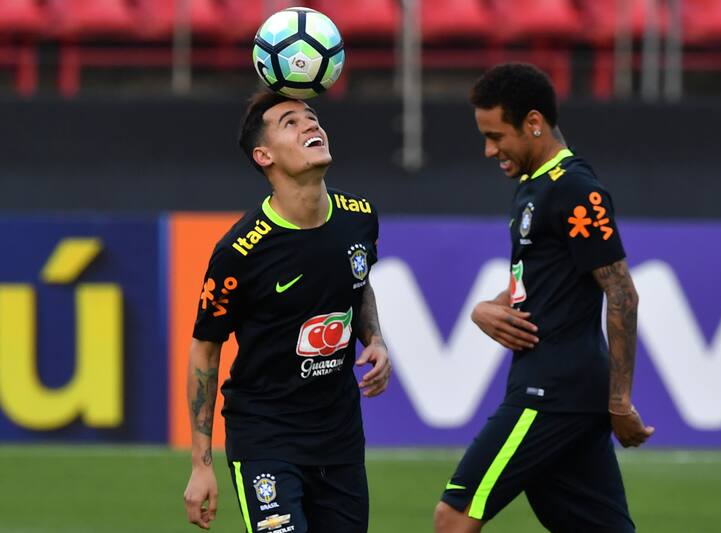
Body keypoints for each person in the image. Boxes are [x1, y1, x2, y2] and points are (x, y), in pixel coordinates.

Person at [434, 63, 655, 533]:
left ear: (533, 123)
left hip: (551, 393)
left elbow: (621, 292)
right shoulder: (533, 188)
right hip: (563, 391)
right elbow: (535, 283)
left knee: (453, 517)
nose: (489, 149)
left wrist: (620, 403)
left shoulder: (574, 188)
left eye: (496, 136)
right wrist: (484, 308)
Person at [182, 91, 391, 533]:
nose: (311, 126)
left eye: (311, 117)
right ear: (264, 156)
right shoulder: (240, 252)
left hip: (340, 440)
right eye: (290, 123)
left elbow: (358, 281)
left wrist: (373, 338)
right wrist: (202, 465)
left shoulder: (359, 217)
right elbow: (204, 350)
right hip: (266, 438)